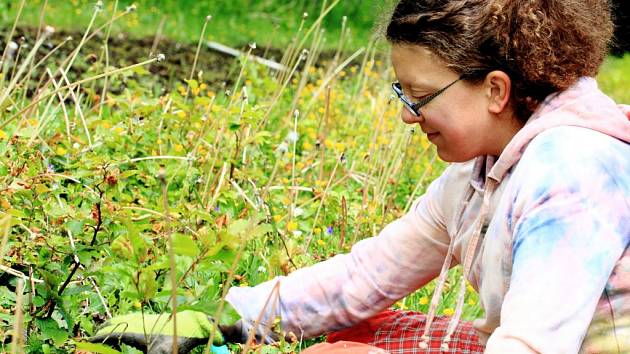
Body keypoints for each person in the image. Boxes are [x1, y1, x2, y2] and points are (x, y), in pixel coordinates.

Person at [224, 0, 630, 353]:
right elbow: (364, 278)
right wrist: (228, 317)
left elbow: (530, 348)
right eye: (403, 95)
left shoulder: (572, 173)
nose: (407, 114)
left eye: (420, 96)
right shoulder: (479, 172)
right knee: (360, 334)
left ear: (495, 91)